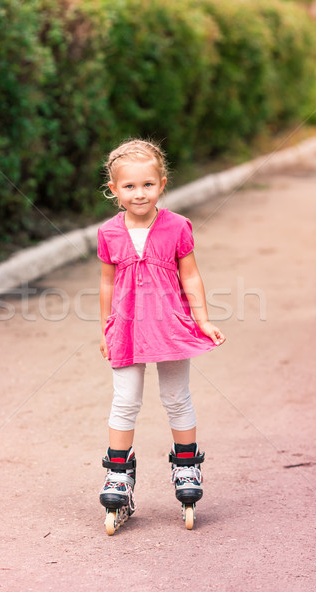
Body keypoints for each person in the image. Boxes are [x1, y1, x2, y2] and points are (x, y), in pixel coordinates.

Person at [97, 139, 226, 530]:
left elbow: (190, 274)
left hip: (170, 325)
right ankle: (118, 475)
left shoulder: (176, 226)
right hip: (127, 327)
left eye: (148, 185)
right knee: (125, 400)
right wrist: (106, 326)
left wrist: (202, 319)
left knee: (175, 396)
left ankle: (187, 467)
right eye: (130, 186)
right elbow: (106, 284)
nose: (140, 193)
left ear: (162, 184)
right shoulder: (108, 232)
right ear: (114, 190)